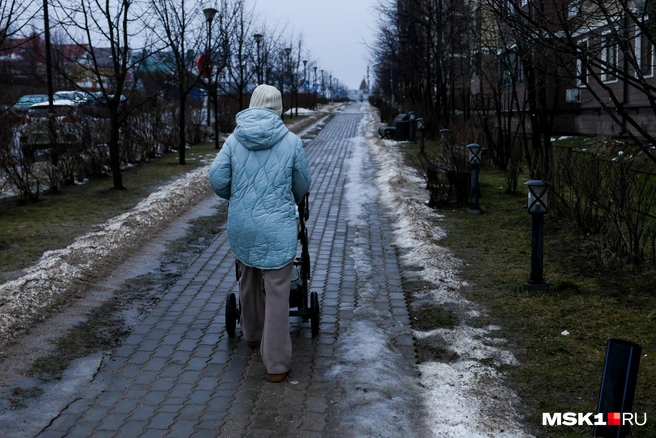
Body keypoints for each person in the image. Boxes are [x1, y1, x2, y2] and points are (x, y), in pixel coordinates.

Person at [209, 84, 312, 383]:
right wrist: (285, 198)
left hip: (243, 224)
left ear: (252, 104)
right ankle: (277, 365)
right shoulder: (291, 142)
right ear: (278, 108)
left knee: (248, 278)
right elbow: (301, 184)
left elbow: (217, 179)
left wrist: (238, 196)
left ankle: (252, 336)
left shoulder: (233, 141)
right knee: (278, 291)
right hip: (276, 225)